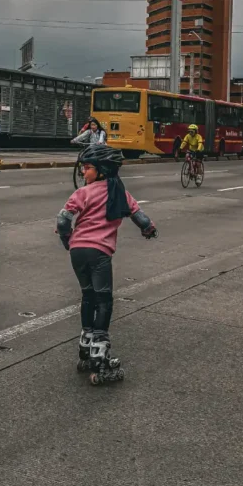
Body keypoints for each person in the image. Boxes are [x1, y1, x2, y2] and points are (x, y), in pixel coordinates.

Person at [56, 145, 157, 386]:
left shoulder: (83, 193)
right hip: (99, 253)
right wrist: (148, 228)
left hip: (77, 251)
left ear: (102, 170)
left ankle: (85, 347)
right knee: (104, 301)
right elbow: (138, 214)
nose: (83, 172)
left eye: (87, 168)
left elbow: (63, 220)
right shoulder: (119, 193)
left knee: (87, 296)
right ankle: (100, 357)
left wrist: (67, 239)